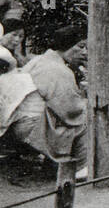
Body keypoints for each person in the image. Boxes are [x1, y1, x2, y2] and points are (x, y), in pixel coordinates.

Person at [0, 24, 89, 178]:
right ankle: (81, 167)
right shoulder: (57, 69)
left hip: (17, 121)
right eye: (80, 46)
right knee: (88, 116)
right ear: (66, 45)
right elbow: (70, 109)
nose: (84, 52)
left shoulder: (40, 60)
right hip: (30, 126)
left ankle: (54, 164)